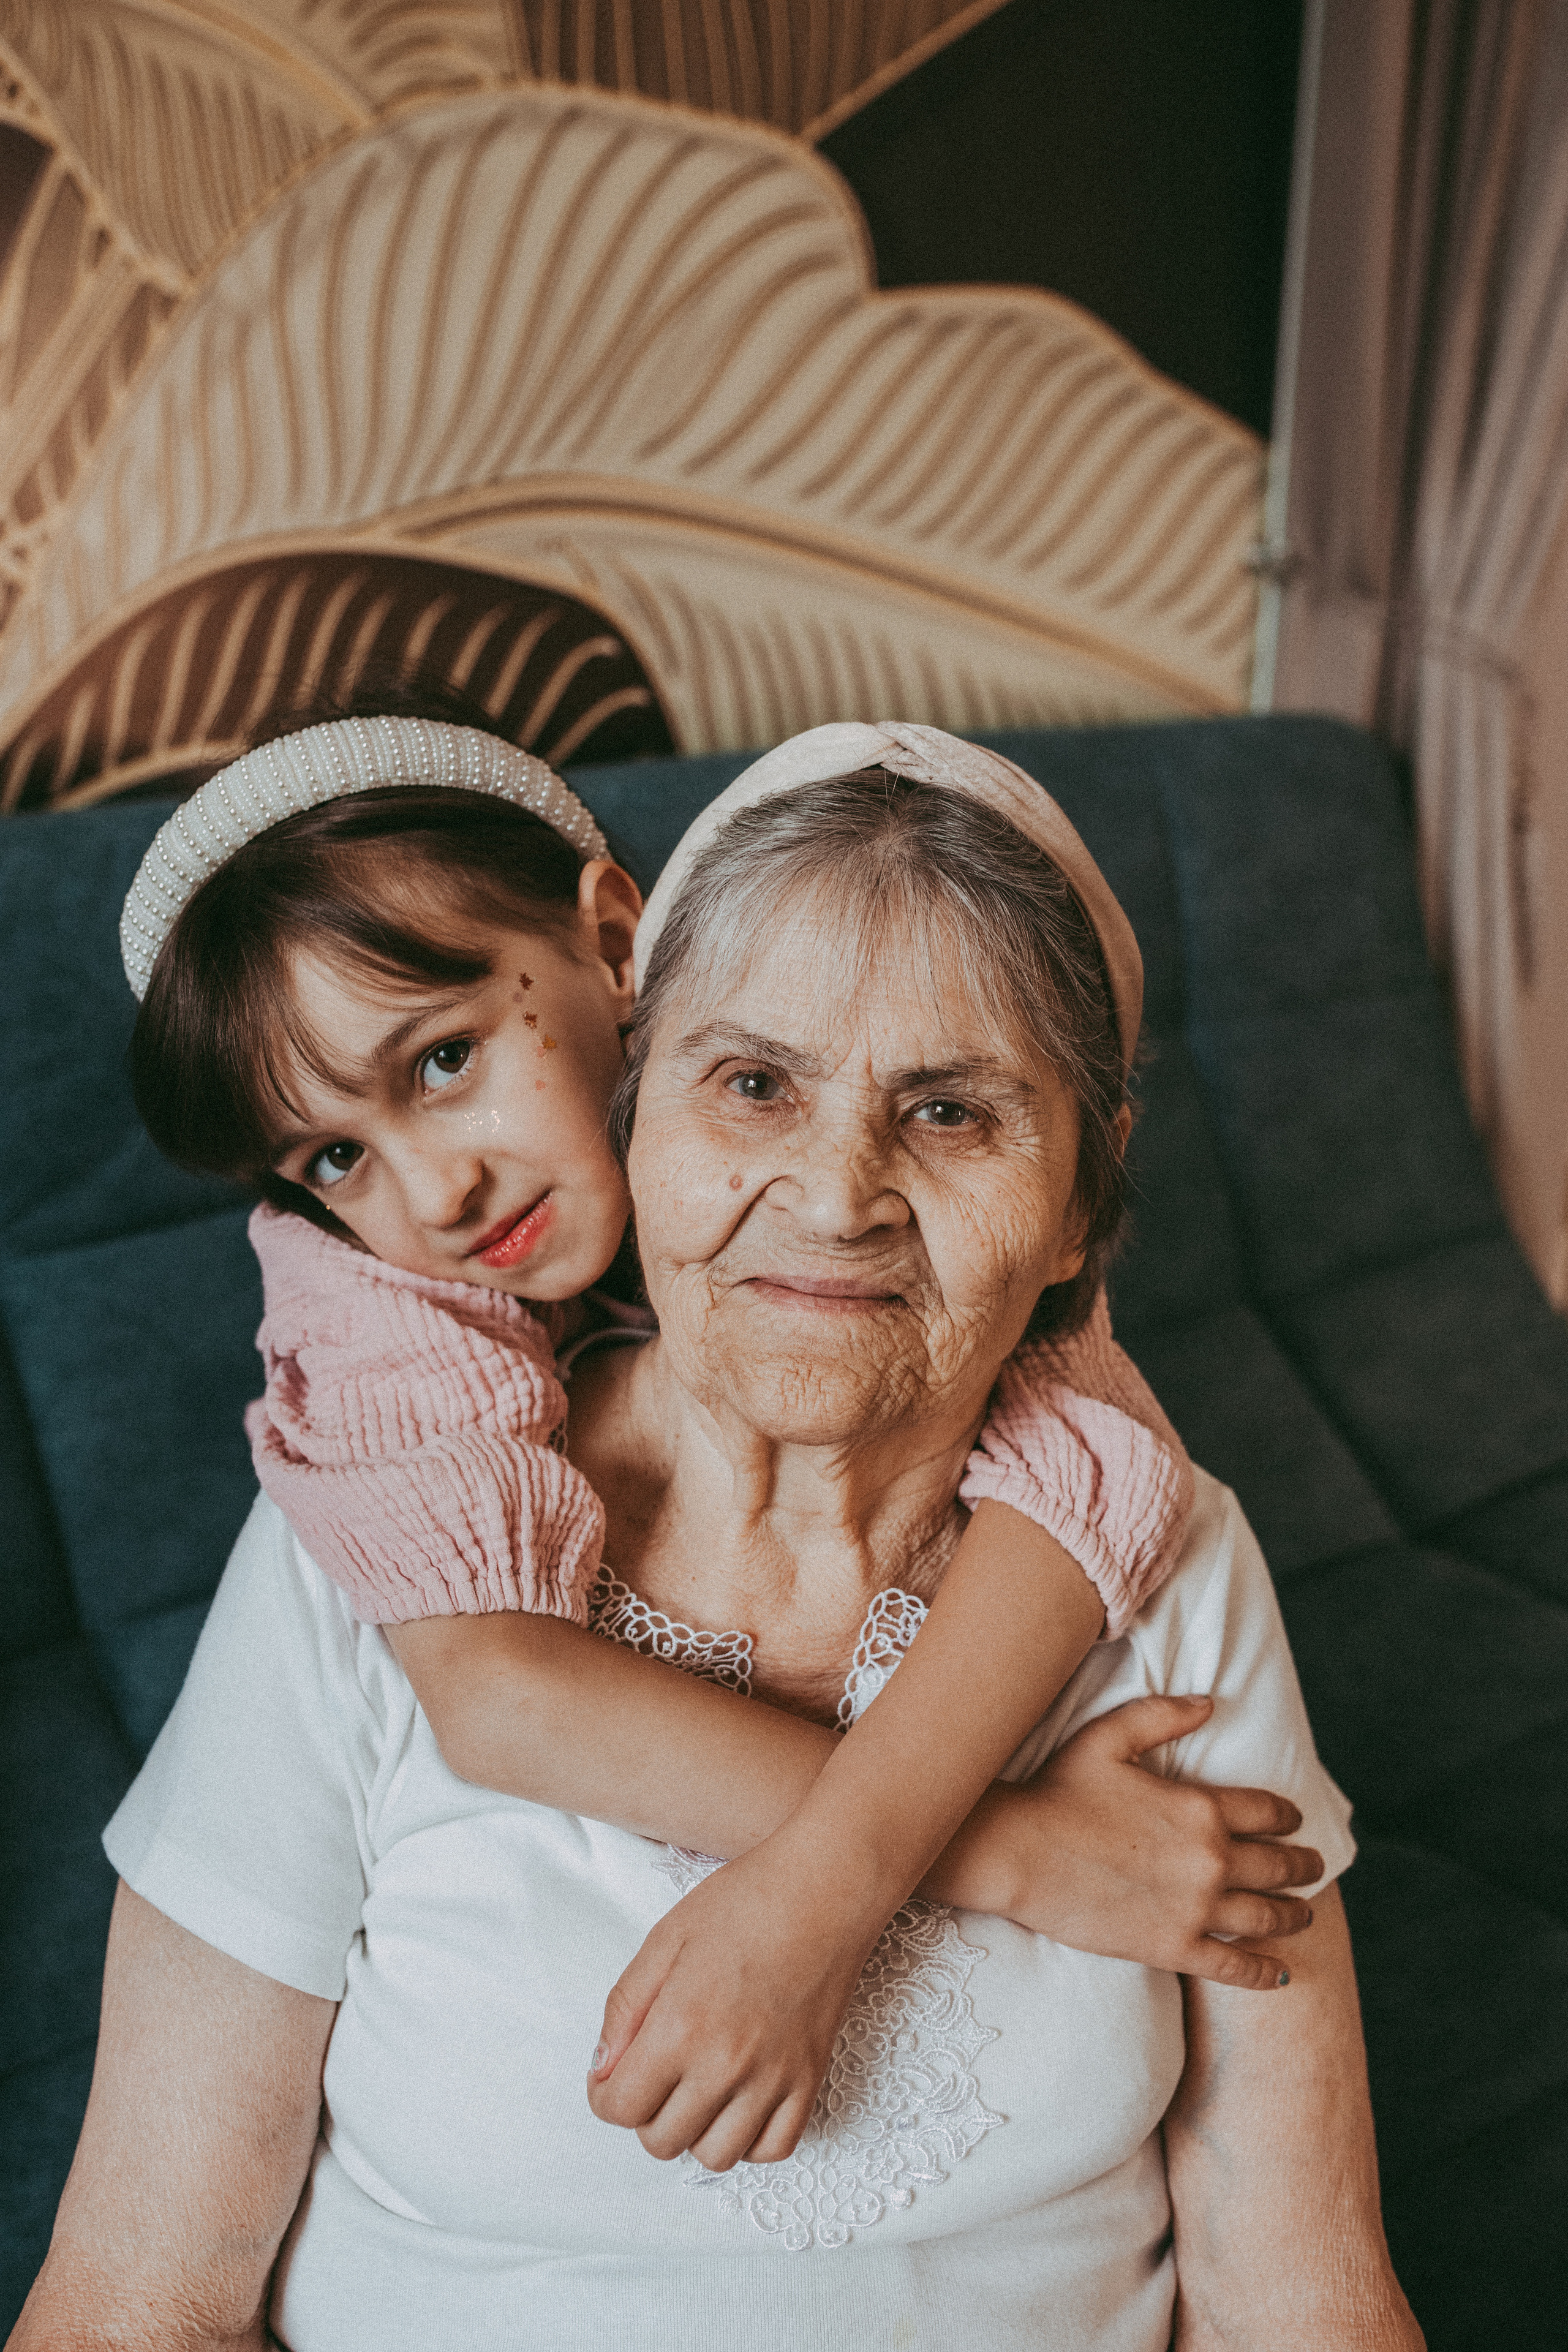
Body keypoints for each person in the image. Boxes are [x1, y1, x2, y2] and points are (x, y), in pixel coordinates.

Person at [10, 723, 1422, 2350]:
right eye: (754, 1084)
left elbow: (1303, 2290)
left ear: (1080, 1217)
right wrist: (1020, 1853)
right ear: (653, 1089)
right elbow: (139, 2287)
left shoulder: (1153, 1543)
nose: (836, 1198)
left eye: (953, 1112)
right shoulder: (381, 1497)